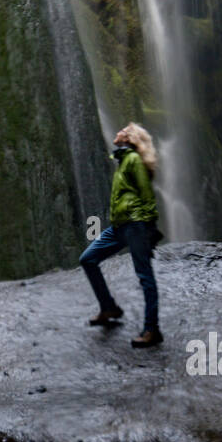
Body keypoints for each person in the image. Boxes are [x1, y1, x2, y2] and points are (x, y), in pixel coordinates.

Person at [79, 122, 164, 347]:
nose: (117, 132)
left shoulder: (133, 159)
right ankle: (108, 307)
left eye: (123, 130)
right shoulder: (124, 159)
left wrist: (150, 227)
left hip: (136, 225)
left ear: (129, 138)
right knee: (88, 259)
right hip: (119, 226)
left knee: (145, 276)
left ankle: (152, 330)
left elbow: (146, 194)